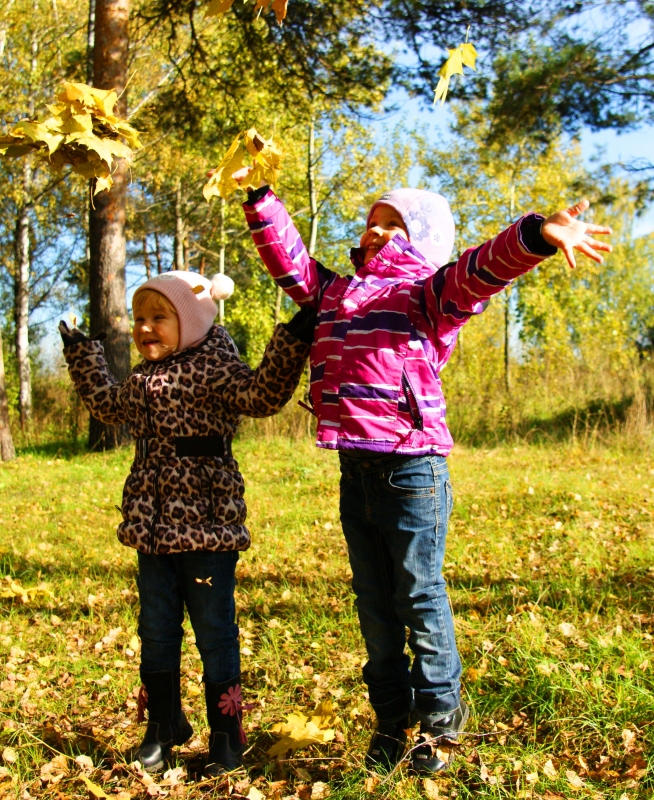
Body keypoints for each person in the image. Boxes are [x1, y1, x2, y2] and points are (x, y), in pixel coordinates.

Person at [235, 174, 611, 774]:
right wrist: (261, 201)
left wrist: (538, 234)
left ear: (423, 240)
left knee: (418, 594)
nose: (376, 230)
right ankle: (391, 722)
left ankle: (439, 724)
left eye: (394, 223)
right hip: (356, 470)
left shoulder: (429, 294)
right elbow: (291, 265)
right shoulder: (334, 293)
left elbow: (482, 267)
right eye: (372, 220)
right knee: (373, 604)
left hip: (414, 471)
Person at [59, 270, 316, 775]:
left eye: (159, 318)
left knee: (214, 630)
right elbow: (106, 404)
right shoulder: (140, 379)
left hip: (207, 527)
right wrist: (83, 354)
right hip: (150, 530)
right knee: (155, 630)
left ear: (192, 321)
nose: (145, 329)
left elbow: (263, 395)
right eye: (139, 320)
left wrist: (293, 339)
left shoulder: (217, 368)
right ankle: (163, 723)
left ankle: (227, 732)